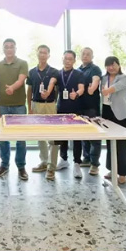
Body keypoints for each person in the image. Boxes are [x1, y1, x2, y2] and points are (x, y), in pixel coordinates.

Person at [0, 38, 29, 180]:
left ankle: (21, 167)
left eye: (11, 46)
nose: (9, 49)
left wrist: (12, 88)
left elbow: (21, 80)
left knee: (21, 139)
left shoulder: (22, 63)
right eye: (6, 47)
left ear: (15, 48)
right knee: (3, 138)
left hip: (19, 106)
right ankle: (4, 165)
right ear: (3, 49)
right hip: (2, 106)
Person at [26, 45, 60, 181]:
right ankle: (44, 162)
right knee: (40, 136)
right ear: (37, 54)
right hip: (36, 105)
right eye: (40, 52)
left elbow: (53, 84)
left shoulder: (54, 71)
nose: (42, 55)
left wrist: (48, 92)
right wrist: (29, 107)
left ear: (48, 55)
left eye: (45, 53)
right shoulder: (31, 72)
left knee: (53, 137)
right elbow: (29, 90)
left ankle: (52, 168)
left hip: (50, 105)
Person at [101, 56, 126, 185]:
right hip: (106, 111)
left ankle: (123, 173)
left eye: (113, 65)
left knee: (121, 143)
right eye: (108, 65)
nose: (111, 67)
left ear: (118, 65)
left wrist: (107, 90)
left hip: (120, 114)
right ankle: (112, 170)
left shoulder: (124, 78)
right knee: (109, 143)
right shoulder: (103, 78)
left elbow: (117, 87)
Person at [55, 50, 85, 179]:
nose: (67, 61)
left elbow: (82, 88)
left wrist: (76, 94)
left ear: (74, 61)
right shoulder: (58, 73)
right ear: (62, 59)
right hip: (61, 108)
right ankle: (63, 159)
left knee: (77, 136)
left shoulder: (79, 73)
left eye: (70, 59)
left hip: (75, 109)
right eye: (65, 58)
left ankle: (77, 163)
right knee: (62, 135)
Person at [78, 47, 103, 176]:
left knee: (94, 136)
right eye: (83, 54)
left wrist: (92, 88)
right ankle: (86, 158)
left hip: (92, 108)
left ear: (92, 56)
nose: (85, 56)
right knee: (84, 134)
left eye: (88, 54)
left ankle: (94, 163)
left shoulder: (95, 69)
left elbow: (96, 80)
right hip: (79, 107)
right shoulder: (78, 70)